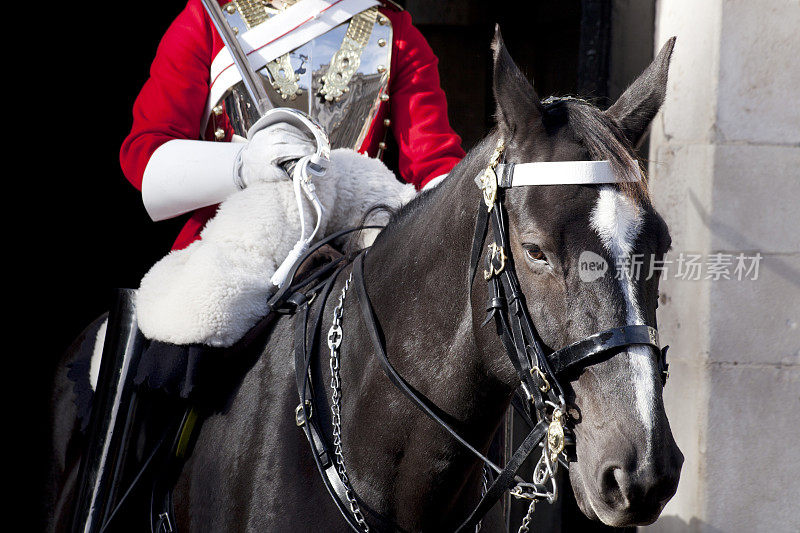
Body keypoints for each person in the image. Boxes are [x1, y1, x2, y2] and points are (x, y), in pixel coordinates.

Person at [120, 0, 465, 251]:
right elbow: (146, 155)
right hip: (231, 240)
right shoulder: (206, 17)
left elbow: (436, 165)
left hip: (352, 240)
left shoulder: (394, 31)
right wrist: (242, 165)